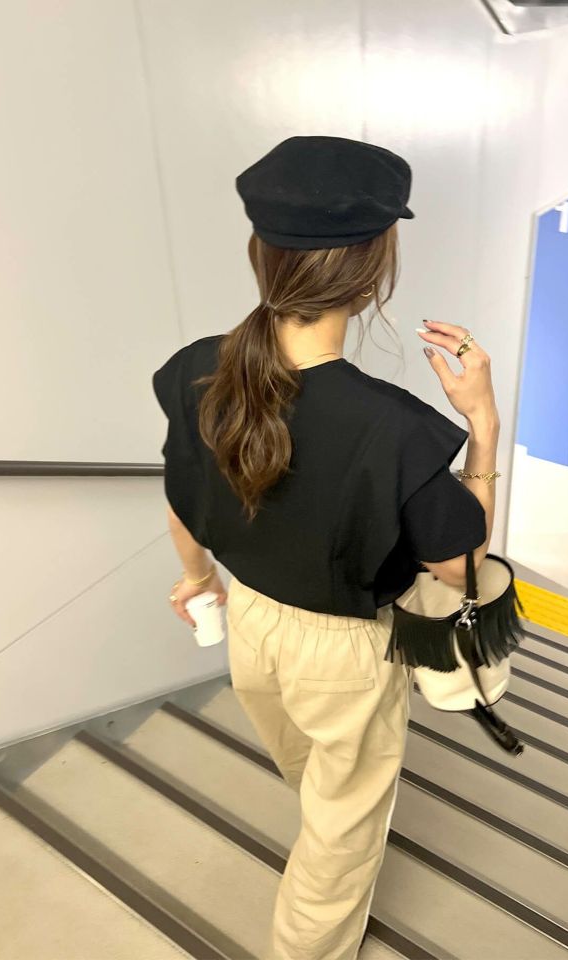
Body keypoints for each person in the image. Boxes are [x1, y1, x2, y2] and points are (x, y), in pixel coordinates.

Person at [152, 135, 501, 960]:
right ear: (373, 273)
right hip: (344, 652)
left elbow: (182, 495)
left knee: (313, 780)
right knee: (341, 830)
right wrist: (483, 423)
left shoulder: (196, 369)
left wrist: (197, 580)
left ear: (261, 253)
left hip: (251, 627)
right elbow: (461, 566)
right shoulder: (393, 427)